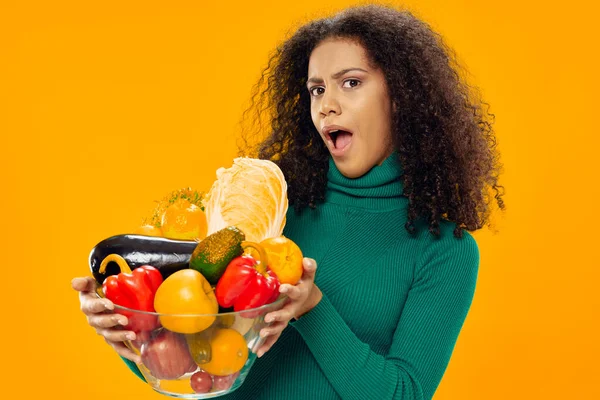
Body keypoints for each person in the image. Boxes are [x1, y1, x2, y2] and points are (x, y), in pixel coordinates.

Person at [72, 4, 504, 399]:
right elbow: (205, 372)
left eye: (350, 83)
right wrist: (133, 338)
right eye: (316, 90)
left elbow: (403, 394)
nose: (327, 107)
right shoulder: (272, 215)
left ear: (401, 96)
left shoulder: (444, 250)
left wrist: (312, 307)